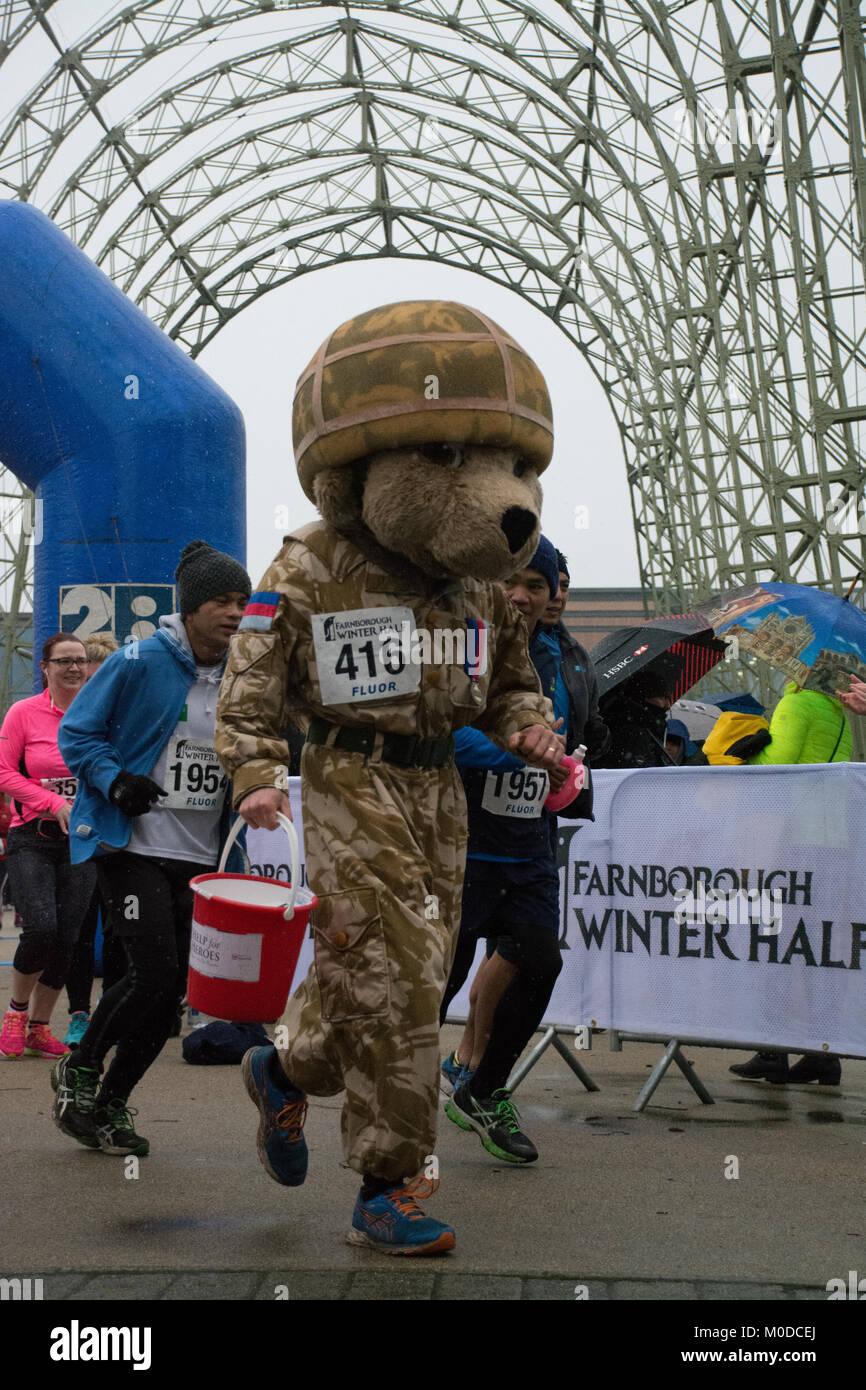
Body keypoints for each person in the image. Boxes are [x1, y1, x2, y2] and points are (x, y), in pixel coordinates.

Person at [50, 542, 251, 1156]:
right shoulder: (138, 660)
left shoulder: (247, 673)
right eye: (221, 600)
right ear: (189, 607)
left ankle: (110, 1104)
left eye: (242, 601)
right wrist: (116, 779)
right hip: (132, 843)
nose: (234, 612)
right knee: (154, 972)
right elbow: (75, 732)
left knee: (167, 995)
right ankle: (81, 1070)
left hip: (201, 857)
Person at [440, 536, 576, 1162]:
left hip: (527, 846)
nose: (522, 596)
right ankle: (396, 1098)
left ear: (552, 595)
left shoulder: (564, 661)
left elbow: (575, 744)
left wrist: (567, 771)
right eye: (512, 582)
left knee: (541, 960)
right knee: (435, 987)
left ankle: (485, 1088)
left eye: (537, 586)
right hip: (462, 846)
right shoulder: (463, 639)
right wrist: (515, 746)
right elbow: (439, 731)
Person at [729, 680, 852, 1086]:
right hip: (834, 840)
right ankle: (823, 1052)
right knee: (818, 948)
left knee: (778, 944)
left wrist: (748, 749)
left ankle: (772, 1050)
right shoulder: (840, 714)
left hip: (794, 841)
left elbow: (777, 764)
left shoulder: (796, 703)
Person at [0, 634, 97, 1060]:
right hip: (32, 838)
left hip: (84, 840)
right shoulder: (24, 713)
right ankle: (16, 1014)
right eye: (64, 661)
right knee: (41, 927)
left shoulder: (99, 713)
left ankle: (40, 1027)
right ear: (45, 666)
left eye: (80, 660)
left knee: (68, 938)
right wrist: (54, 802)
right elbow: (3, 772)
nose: (74, 668)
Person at [63, 633, 126, 1046]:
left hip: (122, 832)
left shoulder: (127, 716)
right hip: (84, 833)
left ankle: (114, 1010)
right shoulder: (77, 722)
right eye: (94, 674)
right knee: (81, 929)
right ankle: (79, 1014)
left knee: (120, 927)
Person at [595, 669, 676, 769]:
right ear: (647, 697)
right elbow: (642, 776)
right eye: (662, 697)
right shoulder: (635, 731)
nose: (668, 705)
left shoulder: (640, 723)